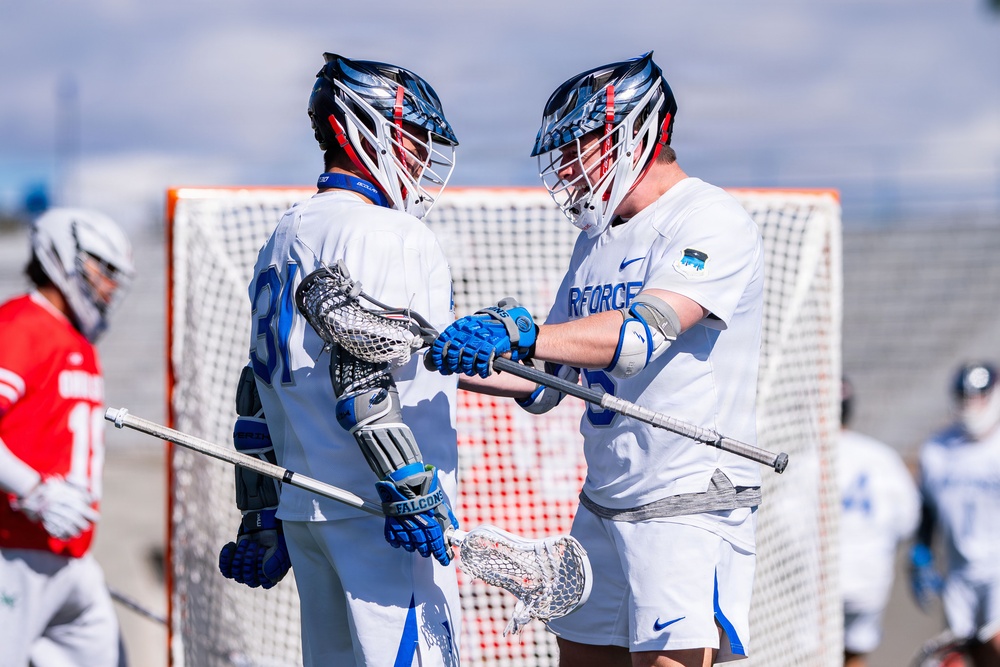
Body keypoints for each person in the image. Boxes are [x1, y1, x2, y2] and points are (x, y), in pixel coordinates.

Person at [428, 52, 764, 667]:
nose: (567, 166)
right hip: (606, 496)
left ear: (636, 133)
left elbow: (637, 339)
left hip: (685, 500)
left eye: (580, 144)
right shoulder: (598, 238)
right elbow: (553, 375)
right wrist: (441, 356)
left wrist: (519, 332)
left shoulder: (709, 219)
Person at [216, 53, 462, 667]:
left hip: (309, 513)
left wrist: (263, 515)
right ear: (362, 130)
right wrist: (408, 488)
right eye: (411, 138)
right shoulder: (386, 231)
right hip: (382, 513)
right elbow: (362, 373)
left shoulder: (283, 234)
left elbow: (257, 394)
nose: (419, 156)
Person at [0, 208, 135, 666]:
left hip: (69, 555)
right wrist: (34, 492)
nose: (111, 285)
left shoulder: (75, 341)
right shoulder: (21, 325)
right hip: (14, 547)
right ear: (63, 254)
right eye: (105, 268)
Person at [910, 362, 1000, 666]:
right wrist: (921, 551)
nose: (971, 408)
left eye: (978, 399)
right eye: (965, 399)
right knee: (957, 650)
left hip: (997, 567)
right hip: (959, 568)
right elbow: (929, 508)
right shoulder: (938, 449)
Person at [837, 377, 919, 667]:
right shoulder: (882, 456)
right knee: (855, 653)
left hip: (819, 578)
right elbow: (907, 520)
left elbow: (785, 524)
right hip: (869, 575)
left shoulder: (807, 457)